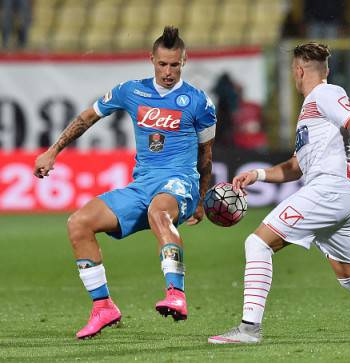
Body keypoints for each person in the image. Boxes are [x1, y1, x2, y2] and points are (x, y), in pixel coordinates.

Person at [208, 43, 350, 344]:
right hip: (342, 195)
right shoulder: (311, 109)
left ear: (298, 70)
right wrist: (259, 174)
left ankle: (249, 329)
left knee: (257, 244)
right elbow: (295, 166)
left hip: (329, 190)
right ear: (326, 69)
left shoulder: (326, 94)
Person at [33, 26, 216, 339]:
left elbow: (206, 155)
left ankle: (176, 293)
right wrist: (54, 150)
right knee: (79, 223)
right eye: (162, 64)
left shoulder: (199, 102)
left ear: (184, 61)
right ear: (151, 60)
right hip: (141, 185)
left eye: (174, 65)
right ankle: (103, 307)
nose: (168, 72)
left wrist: (199, 199)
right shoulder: (131, 91)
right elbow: (88, 117)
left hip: (179, 182)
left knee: (159, 212)